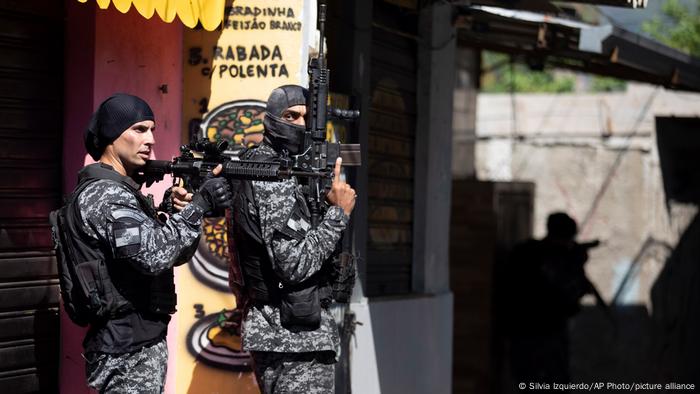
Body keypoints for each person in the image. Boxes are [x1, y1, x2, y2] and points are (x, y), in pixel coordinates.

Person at [172, 84, 356, 393]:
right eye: (290, 115)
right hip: (294, 339)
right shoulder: (272, 174)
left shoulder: (273, 167)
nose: (299, 124)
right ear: (271, 119)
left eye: (305, 118)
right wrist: (338, 214)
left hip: (284, 333)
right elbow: (293, 264)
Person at [55, 93, 231, 393]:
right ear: (112, 136)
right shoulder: (105, 195)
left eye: (152, 130)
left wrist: (180, 212)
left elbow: (173, 254)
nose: (150, 139)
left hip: (137, 346)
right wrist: (199, 206)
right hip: (125, 354)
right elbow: (152, 256)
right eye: (138, 129)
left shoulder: (123, 192)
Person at [501, 212, 596, 389]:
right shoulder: (551, 259)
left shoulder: (525, 251)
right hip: (543, 337)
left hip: (524, 336)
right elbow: (571, 295)